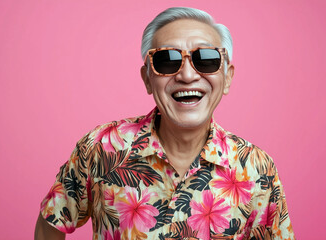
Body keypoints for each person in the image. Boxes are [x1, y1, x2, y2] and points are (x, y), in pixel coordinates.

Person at [35, 7, 295, 240]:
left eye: (206, 58)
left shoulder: (257, 168)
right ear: (147, 78)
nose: (187, 75)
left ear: (227, 78)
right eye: (167, 60)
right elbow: (52, 222)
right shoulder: (102, 147)